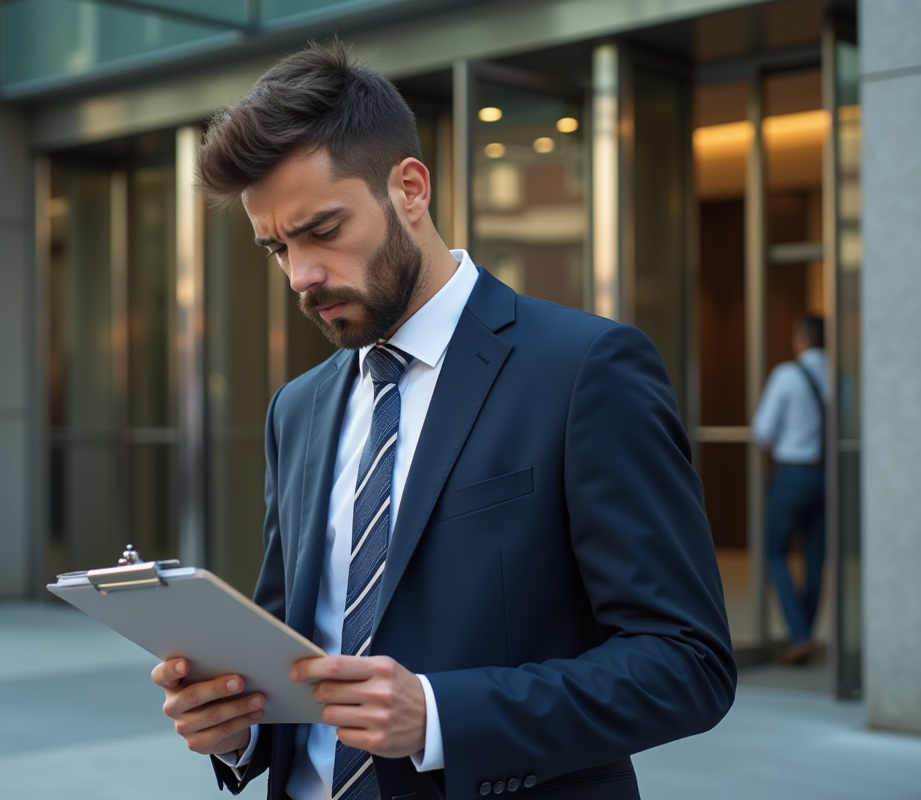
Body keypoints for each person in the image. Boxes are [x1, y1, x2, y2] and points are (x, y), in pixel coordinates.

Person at [151, 42, 735, 800]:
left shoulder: (584, 369)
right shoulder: (296, 409)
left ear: (410, 189)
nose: (301, 276)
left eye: (323, 230)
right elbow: (291, 650)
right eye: (277, 249)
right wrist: (239, 725)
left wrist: (441, 717)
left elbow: (687, 663)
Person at [753, 315, 827, 665]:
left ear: (801, 340)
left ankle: (799, 636)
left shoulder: (787, 375)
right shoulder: (838, 375)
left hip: (793, 474)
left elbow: (762, 431)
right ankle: (804, 635)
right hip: (827, 476)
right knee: (815, 559)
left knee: (773, 552)